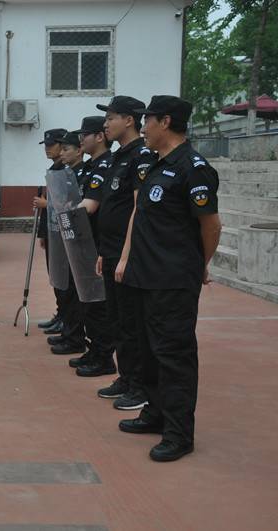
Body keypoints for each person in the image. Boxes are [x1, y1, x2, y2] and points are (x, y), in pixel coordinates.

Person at [116, 96, 222, 462]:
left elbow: (212, 225)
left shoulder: (194, 168)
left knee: (174, 356)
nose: (142, 127)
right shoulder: (155, 165)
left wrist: (199, 264)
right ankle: (155, 412)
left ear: (165, 122)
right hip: (144, 276)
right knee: (148, 353)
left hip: (173, 280)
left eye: (147, 120)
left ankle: (179, 434)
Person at [92, 96, 158, 410]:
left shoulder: (140, 156)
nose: (106, 124)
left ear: (129, 120)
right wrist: (104, 251)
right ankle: (126, 376)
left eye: (111, 118)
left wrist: (124, 255)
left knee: (132, 322)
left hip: (127, 254)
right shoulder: (118, 157)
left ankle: (139, 386)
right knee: (117, 319)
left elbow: (137, 208)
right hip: (111, 250)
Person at [65, 116, 116, 377]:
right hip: (85, 242)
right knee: (88, 303)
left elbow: (89, 206)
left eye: (84, 135)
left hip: (98, 244)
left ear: (99, 137)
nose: (80, 140)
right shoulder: (91, 167)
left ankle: (103, 356)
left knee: (98, 305)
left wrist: (66, 215)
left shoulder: (107, 165)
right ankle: (94, 350)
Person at [46, 132, 87, 356]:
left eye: (65, 149)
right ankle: (68, 331)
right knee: (66, 288)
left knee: (74, 292)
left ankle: (75, 338)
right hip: (62, 235)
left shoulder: (82, 173)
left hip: (78, 238)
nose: (62, 153)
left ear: (78, 150)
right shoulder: (65, 173)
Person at [34, 128, 69, 335]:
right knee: (54, 274)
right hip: (52, 230)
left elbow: (67, 202)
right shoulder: (54, 169)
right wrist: (42, 233)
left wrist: (46, 204)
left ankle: (66, 317)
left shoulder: (67, 169)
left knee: (64, 277)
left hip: (63, 231)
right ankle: (60, 313)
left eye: (51, 145)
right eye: (45, 145)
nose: (47, 149)